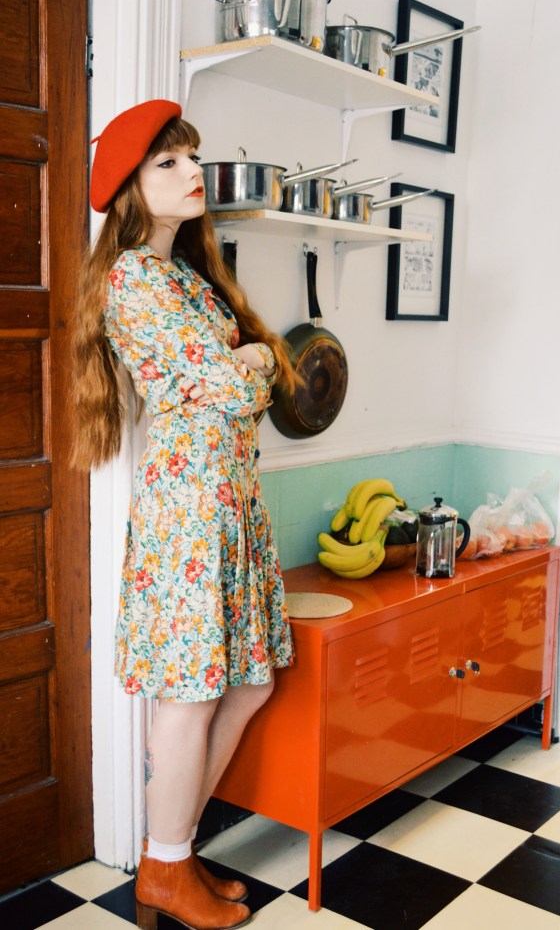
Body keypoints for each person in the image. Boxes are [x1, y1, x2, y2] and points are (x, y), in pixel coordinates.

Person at [72, 99, 298, 930]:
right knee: (194, 696)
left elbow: (238, 380)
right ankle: (166, 868)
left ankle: (171, 849)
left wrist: (244, 367)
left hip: (227, 504)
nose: (194, 172)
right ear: (130, 186)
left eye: (192, 156)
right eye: (169, 162)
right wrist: (253, 362)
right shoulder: (133, 278)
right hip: (190, 512)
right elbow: (237, 385)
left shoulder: (187, 279)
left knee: (249, 682)